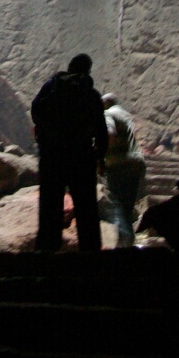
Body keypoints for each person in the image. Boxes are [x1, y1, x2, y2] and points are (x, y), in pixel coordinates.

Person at [31, 53, 107, 252]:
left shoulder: (52, 87)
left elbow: (36, 110)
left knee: (50, 207)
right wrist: (100, 157)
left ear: (70, 67)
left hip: (52, 156)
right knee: (86, 209)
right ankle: (90, 256)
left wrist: (47, 138)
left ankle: (47, 254)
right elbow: (101, 131)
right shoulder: (92, 95)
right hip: (81, 157)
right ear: (88, 71)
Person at [102, 93, 146, 248]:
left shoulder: (108, 113)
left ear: (106, 102)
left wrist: (100, 155)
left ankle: (124, 239)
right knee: (126, 206)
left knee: (115, 203)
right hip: (136, 163)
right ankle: (128, 244)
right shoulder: (125, 115)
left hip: (119, 164)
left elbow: (110, 134)